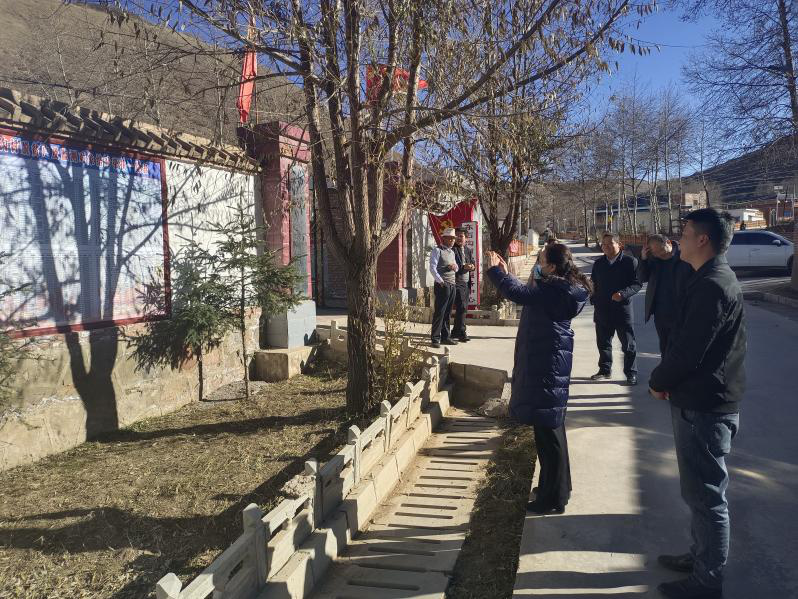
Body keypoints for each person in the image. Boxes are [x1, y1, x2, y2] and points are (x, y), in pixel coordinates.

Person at [649, 209, 746, 599]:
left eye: (686, 233)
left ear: (703, 239)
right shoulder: (703, 277)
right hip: (698, 398)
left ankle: (708, 581)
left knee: (707, 496)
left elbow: (689, 350)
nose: (680, 239)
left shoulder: (713, 285)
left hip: (706, 405)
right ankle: (701, 556)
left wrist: (658, 381)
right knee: (698, 493)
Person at [486, 243, 592, 515]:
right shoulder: (561, 287)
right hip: (548, 360)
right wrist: (507, 273)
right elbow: (529, 293)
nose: (538, 263)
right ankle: (556, 488)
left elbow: (519, 294)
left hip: (546, 363)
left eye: (541, 260)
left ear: (552, 267)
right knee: (550, 431)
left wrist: (496, 272)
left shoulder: (555, 290)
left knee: (548, 436)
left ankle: (552, 499)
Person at [589, 231, 642, 385]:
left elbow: (637, 284)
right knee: (603, 343)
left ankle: (631, 373)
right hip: (602, 310)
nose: (606, 247)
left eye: (610, 243)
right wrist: (593, 298)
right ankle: (605, 370)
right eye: (603, 244)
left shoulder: (630, 262)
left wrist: (623, 294)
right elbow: (593, 284)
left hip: (622, 311)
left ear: (619, 244)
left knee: (628, 345)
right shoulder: (599, 264)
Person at [637, 234, 694, 355]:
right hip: (661, 313)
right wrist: (643, 259)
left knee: (682, 348)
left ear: (668, 243)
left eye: (661, 251)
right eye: (655, 253)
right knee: (665, 346)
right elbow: (642, 278)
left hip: (682, 311)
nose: (659, 255)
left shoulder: (685, 255)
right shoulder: (653, 258)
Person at [429, 228, 459, 348]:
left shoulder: (452, 252)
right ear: (444, 238)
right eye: (450, 238)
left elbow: (456, 267)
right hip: (442, 284)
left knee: (447, 312)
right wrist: (441, 281)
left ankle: (445, 336)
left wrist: (454, 267)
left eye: (453, 239)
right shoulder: (437, 250)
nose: (452, 241)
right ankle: (435, 338)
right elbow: (432, 268)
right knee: (440, 312)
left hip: (452, 284)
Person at [451, 228, 476, 342]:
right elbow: (452, 265)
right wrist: (463, 267)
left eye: (461, 236)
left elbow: (472, 262)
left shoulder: (467, 250)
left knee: (463, 308)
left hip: (466, 283)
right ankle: (461, 332)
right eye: (457, 236)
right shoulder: (452, 249)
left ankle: (456, 332)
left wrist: (472, 266)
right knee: (461, 307)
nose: (459, 238)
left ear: (466, 238)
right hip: (456, 282)